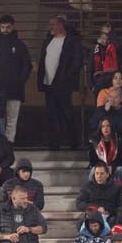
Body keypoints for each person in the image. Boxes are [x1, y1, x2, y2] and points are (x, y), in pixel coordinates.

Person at [0, 15, 33, 143]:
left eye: (8, 27)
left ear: (13, 27)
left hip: (14, 89)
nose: (5, 30)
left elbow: (27, 66)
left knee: (12, 118)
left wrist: (20, 81)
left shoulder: (20, 45)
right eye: (3, 27)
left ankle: (9, 143)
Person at [38, 16, 84, 151]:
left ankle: (73, 142)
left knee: (67, 113)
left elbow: (77, 62)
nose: (50, 27)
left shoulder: (72, 40)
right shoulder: (48, 40)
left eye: (53, 24)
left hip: (63, 84)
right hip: (49, 84)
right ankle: (54, 143)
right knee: (52, 114)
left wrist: (66, 77)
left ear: (61, 25)